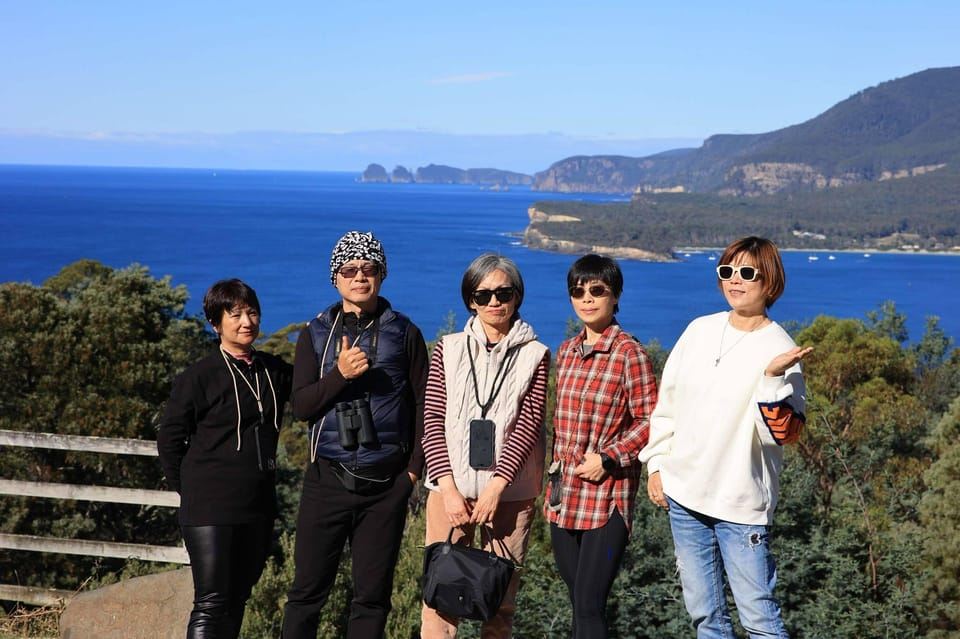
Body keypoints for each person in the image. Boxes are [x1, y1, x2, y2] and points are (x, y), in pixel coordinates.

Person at [639, 236, 813, 638]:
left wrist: (771, 379)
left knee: (761, 622)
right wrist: (657, 464)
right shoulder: (699, 330)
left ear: (769, 283)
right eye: (727, 271)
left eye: (747, 273)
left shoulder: (780, 349)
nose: (735, 280)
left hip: (740, 505)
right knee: (706, 618)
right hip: (684, 498)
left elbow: (782, 435)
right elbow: (668, 405)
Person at [281, 231, 428, 639]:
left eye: (369, 268)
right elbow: (302, 406)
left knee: (372, 598)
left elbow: (424, 406)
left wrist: (411, 475)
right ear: (336, 277)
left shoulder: (406, 332)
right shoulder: (315, 333)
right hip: (327, 479)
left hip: (386, 486)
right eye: (350, 269)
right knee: (307, 593)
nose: (360, 277)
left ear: (382, 275)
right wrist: (340, 375)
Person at [421, 253, 550, 638]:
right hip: (450, 492)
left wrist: (496, 487)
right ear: (470, 300)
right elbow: (432, 419)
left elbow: (528, 425)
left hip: (510, 495)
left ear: (517, 296)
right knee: (439, 598)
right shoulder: (448, 348)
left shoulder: (535, 354)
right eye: (483, 294)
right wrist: (447, 487)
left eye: (503, 292)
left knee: (500, 602)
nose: (494, 302)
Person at [158, 278, 293, 639]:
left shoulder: (275, 371)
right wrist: (190, 490)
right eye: (234, 314)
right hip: (209, 508)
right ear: (215, 323)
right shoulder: (199, 376)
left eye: (251, 312)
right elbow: (170, 439)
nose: (246, 321)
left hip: (258, 505)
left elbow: (314, 393)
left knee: (238, 600)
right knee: (211, 602)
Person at [545, 254, 658, 639]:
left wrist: (610, 458)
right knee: (579, 603)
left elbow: (651, 421)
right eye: (578, 291)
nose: (587, 298)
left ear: (615, 296)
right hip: (563, 496)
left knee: (591, 605)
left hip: (607, 498)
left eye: (597, 290)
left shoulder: (630, 354)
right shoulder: (566, 352)